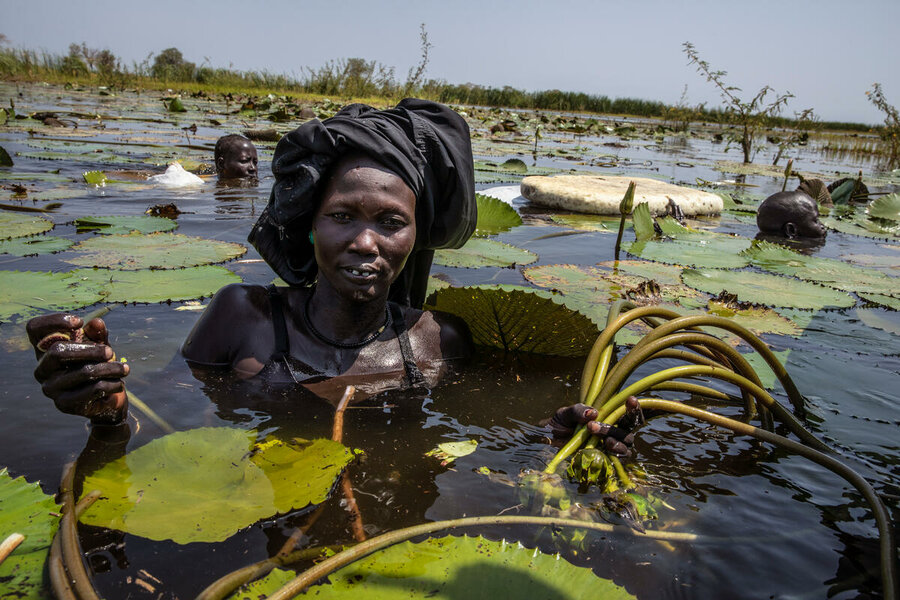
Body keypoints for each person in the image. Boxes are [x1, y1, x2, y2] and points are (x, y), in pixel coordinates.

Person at [26, 99, 478, 425]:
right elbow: (168, 412)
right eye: (341, 216)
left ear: (416, 235)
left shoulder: (441, 342)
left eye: (391, 221)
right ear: (308, 224)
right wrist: (107, 407)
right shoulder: (242, 317)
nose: (364, 241)